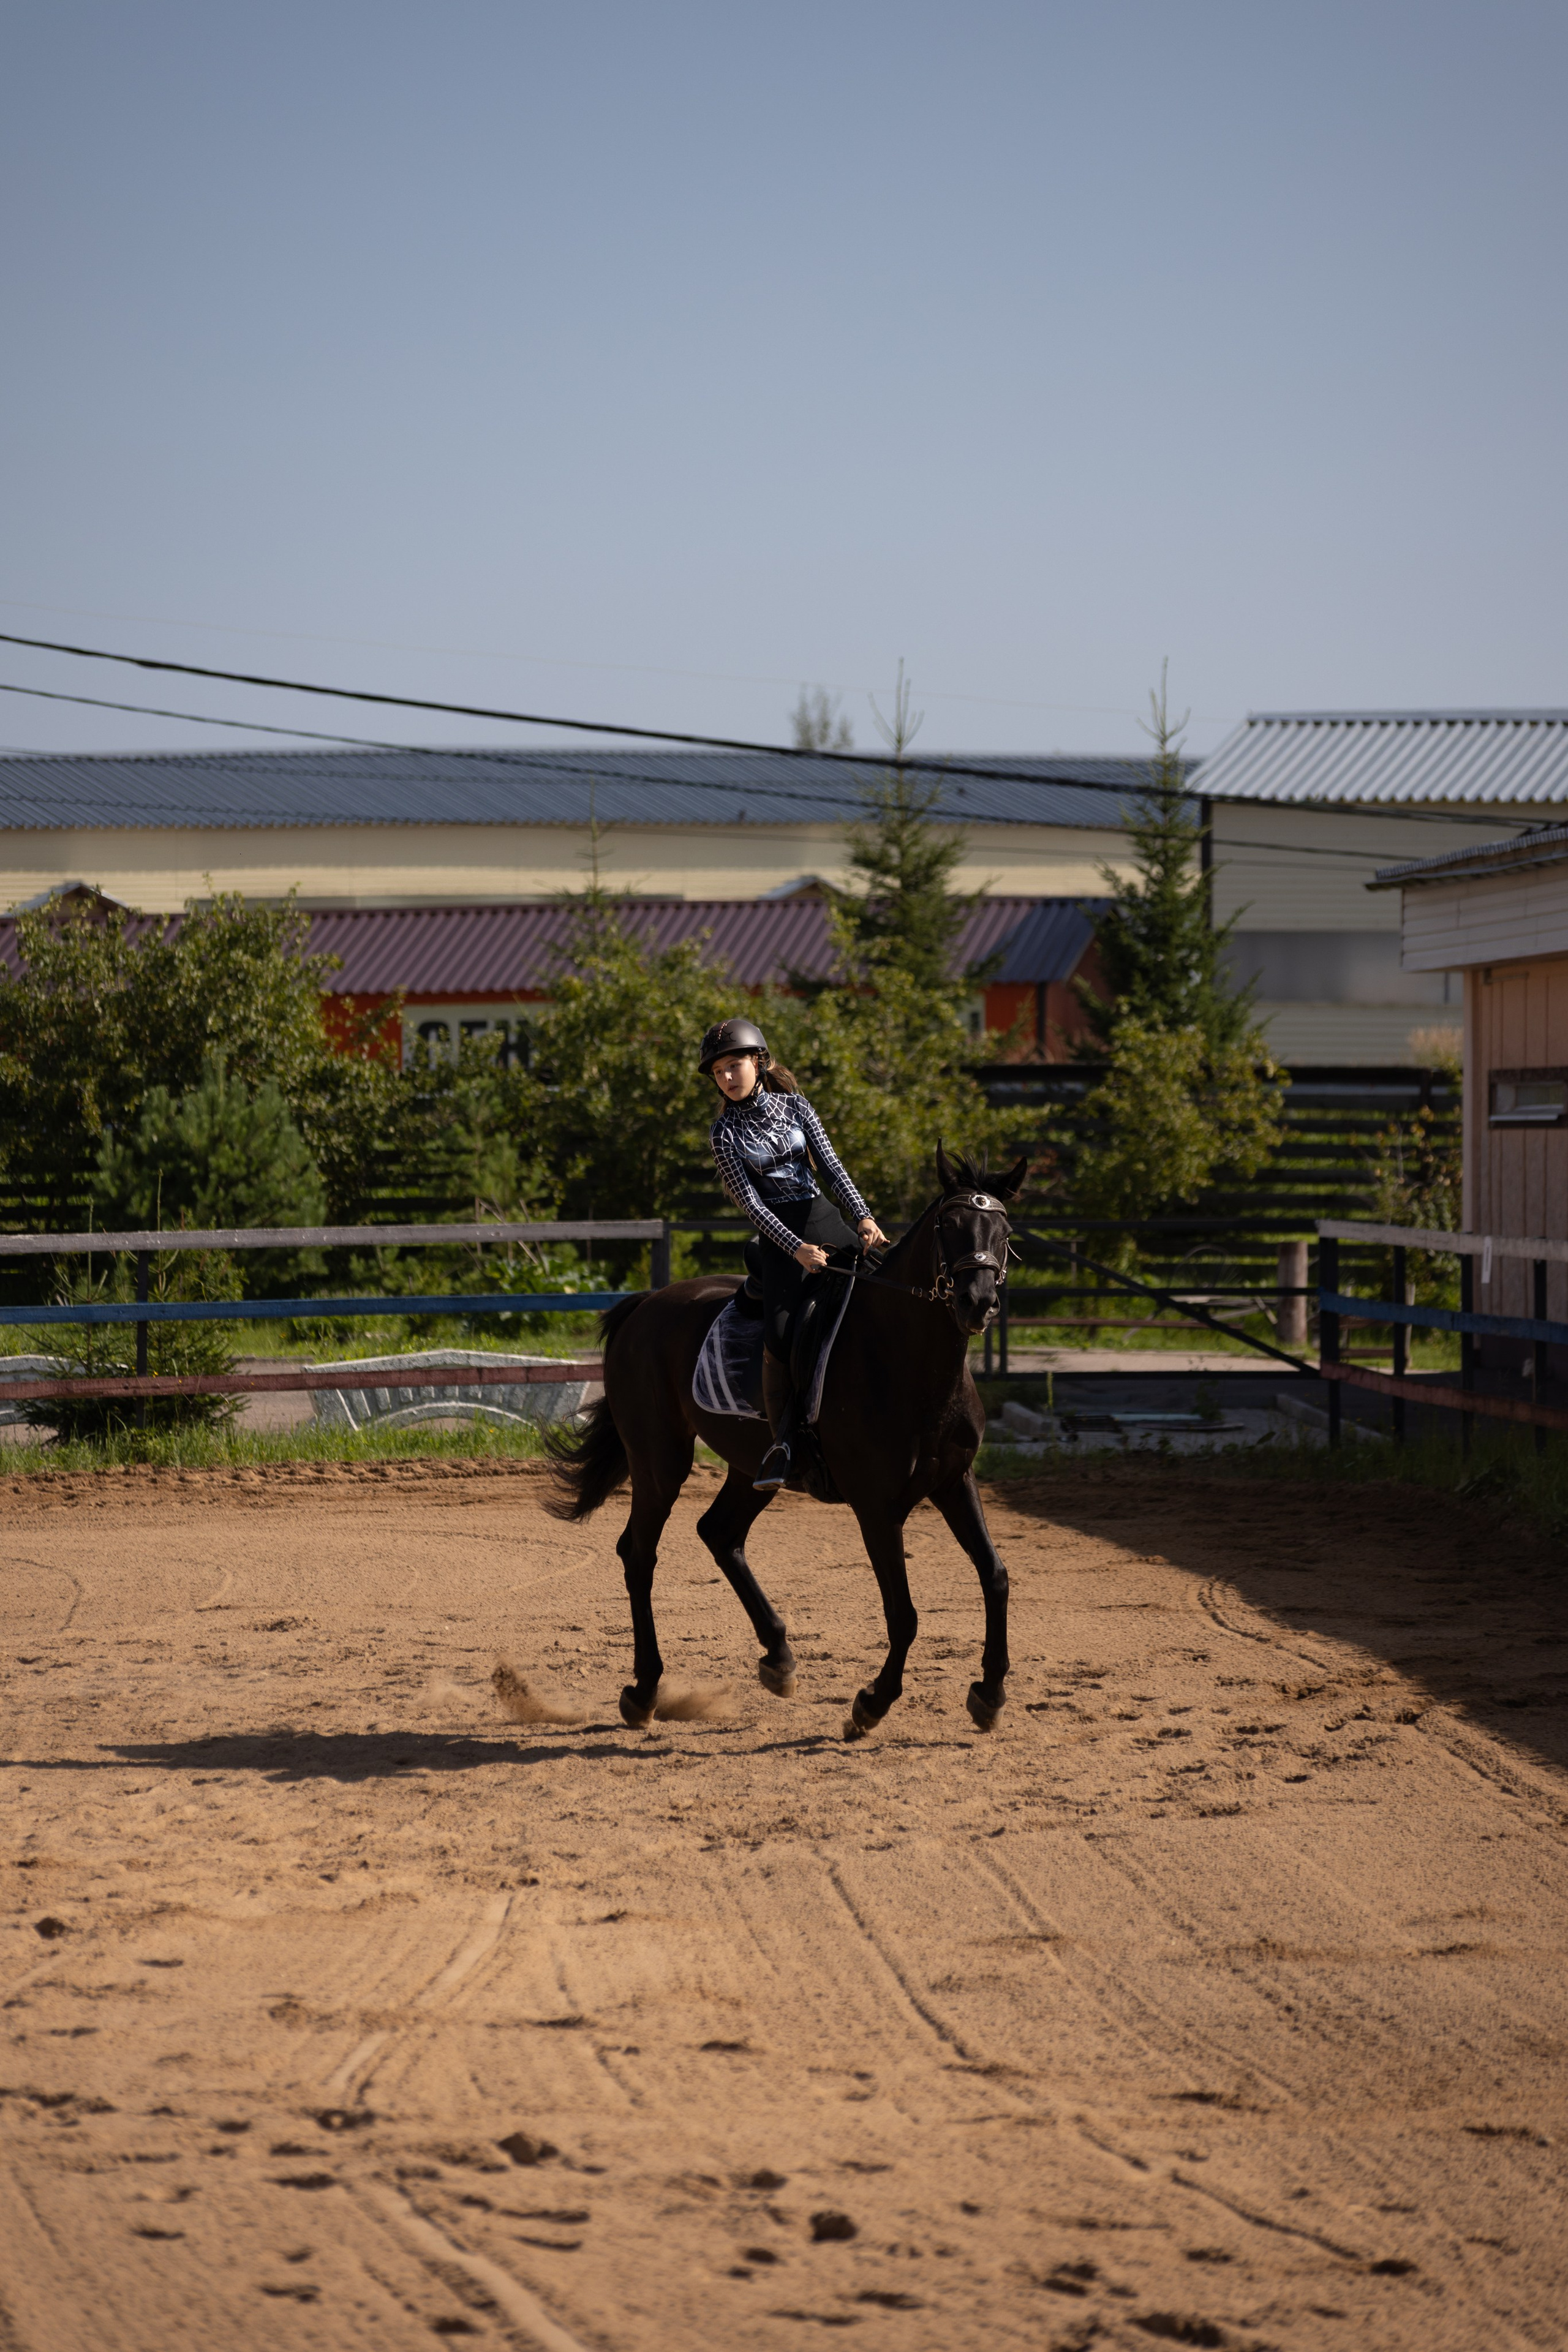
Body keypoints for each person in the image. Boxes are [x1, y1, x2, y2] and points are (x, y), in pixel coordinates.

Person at [700, 1016, 888, 1490]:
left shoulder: (797, 1107)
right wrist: (797, 1249)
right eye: (719, 1071)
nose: (726, 1077)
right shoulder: (723, 1134)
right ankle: (784, 1442)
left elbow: (832, 1167)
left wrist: (863, 1215)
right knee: (781, 1336)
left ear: (758, 1062)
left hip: (825, 1218)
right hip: (782, 1242)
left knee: (885, 1288)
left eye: (734, 1065)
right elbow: (752, 1204)